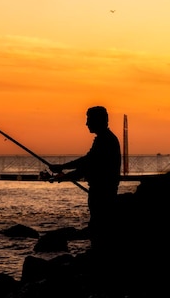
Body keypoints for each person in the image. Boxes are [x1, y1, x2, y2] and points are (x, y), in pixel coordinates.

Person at [49, 106, 121, 254]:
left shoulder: (105, 140)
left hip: (102, 193)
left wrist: (63, 173)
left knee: (99, 228)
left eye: (88, 120)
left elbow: (88, 164)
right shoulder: (105, 139)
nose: (86, 124)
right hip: (102, 191)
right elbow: (88, 163)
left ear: (97, 120)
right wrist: (63, 171)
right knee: (98, 228)